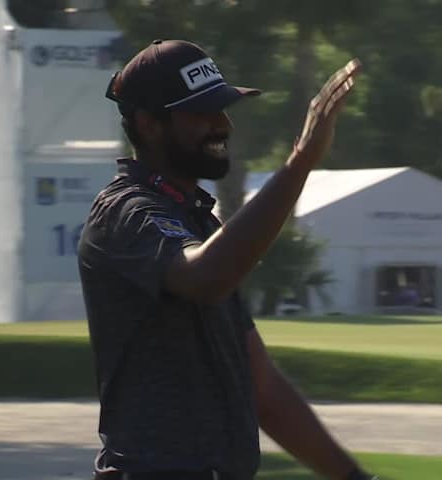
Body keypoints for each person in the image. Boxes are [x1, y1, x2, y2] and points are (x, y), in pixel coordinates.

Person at [78, 39, 372, 480]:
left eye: (222, 109)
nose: (222, 125)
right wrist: (300, 162)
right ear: (148, 124)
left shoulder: (198, 222)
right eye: (201, 113)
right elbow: (204, 277)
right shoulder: (125, 211)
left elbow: (263, 387)